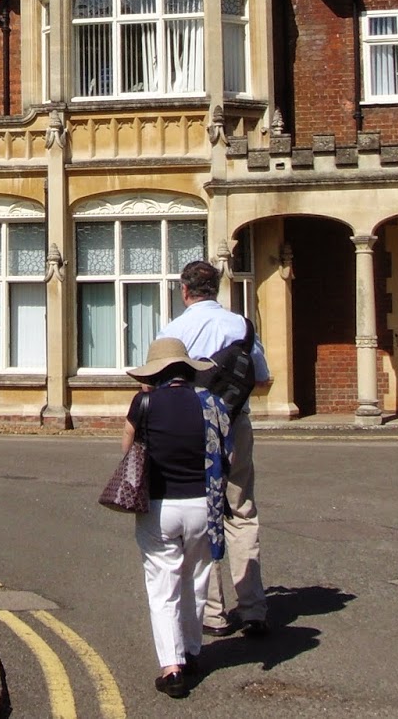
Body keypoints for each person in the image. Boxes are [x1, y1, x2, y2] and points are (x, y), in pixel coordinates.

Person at [157, 258, 273, 639]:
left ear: (184, 290)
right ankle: (253, 607)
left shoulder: (174, 330)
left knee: (203, 515)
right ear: (218, 289)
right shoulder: (240, 324)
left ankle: (214, 613)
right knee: (241, 512)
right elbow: (263, 377)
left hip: (191, 429)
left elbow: (158, 386)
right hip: (235, 424)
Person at [122, 335, 231, 698]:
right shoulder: (212, 403)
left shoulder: (145, 402)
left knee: (162, 587)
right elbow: (224, 452)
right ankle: (191, 651)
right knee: (196, 579)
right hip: (203, 505)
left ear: (156, 372)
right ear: (186, 369)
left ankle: (171, 669)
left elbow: (129, 451)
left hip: (159, 506)